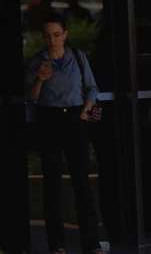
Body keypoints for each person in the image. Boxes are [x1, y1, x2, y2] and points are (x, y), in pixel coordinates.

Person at [25, 13, 104, 254]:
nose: (52, 40)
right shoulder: (37, 62)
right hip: (49, 120)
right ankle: (57, 244)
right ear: (43, 38)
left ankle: (91, 244)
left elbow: (91, 87)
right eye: (48, 36)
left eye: (57, 35)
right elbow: (32, 98)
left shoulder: (78, 57)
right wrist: (39, 79)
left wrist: (86, 110)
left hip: (75, 119)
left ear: (65, 34)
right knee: (52, 184)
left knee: (82, 182)